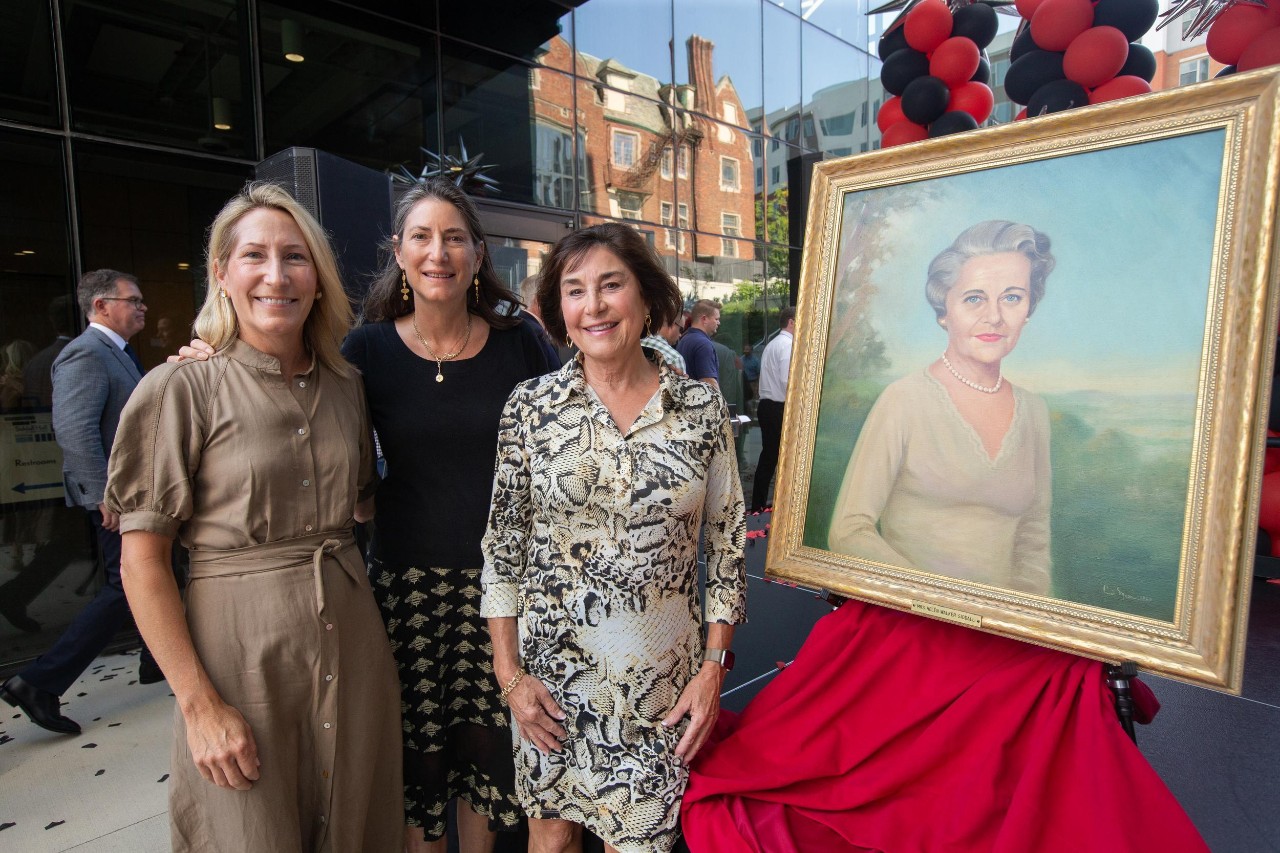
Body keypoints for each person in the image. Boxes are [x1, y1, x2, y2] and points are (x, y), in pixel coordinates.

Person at [105, 182, 403, 850]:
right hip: (240, 656)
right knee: (247, 829)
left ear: (318, 276)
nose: (277, 275)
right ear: (221, 273)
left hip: (354, 647)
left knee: (356, 823)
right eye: (254, 256)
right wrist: (198, 705)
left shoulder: (348, 386)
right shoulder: (180, 388)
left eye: (295, 257)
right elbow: (141, 562)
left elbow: (362, 501)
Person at [482, 222, 747, 853]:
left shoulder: (700, 410)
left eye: (610, 285)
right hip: (549, 685)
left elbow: (729, 544)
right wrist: (509, 674)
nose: (593, 306)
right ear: (558, 311)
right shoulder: (530, 407)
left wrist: (712, 669)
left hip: (664, 691)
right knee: (550, 842)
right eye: (574, 291)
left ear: (647, 298)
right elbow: (503, 546)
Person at [345, 179, 555, 853]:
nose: (439, 252)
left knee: (490, 770)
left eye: (455, 236)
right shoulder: (366, 351)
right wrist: (208, 356)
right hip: (408, 592)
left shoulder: (519, 343)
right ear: (400, 254)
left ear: (477, 252)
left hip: (506, 593)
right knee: (422, 769)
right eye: (422, 237)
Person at [828, 220, 1054, 595]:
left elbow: (1034, 536)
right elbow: (849, 530)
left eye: (1012, 297)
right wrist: (939, 603)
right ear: (943, 310)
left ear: (1029, 308)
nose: (994, 317)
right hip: (913, 623)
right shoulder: (904, 400)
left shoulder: (1034, 412)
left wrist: (1021, 616)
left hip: (1005, 634)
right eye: (974, 298)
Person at [0, 270, 156, 732]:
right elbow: (75, 430)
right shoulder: (85, 354)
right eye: (134, 299)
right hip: (116, 497)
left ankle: (155, 660)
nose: (143, 306)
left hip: (133, 492)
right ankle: (39, 682)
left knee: (158, 574)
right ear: (102, 306)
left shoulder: (117, 352)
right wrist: (101, 496)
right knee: (127, 587)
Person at [750, 306, 795, 512]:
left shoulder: (773, 344)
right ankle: (780, 506)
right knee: (783, 459)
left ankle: (759, 505)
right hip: (779, 407)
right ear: (791, 322)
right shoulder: (787, 345)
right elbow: (789, 380)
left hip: (768, 406)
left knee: (769, 457)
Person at [676, 299, 721, 387]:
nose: (719, 323)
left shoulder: (684, 339)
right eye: (716, 319)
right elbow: (709, 383)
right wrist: (721, 401)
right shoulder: (703, 344)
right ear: (704, 319)